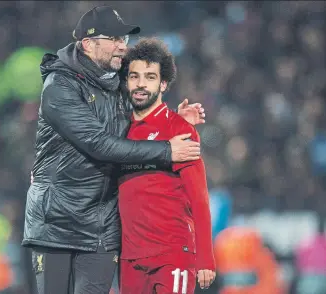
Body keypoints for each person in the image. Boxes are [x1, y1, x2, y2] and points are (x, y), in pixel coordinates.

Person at [22, 6, 206, 294]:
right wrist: (166, 150)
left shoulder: (120, 81)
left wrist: (174, 121)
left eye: (125, 39)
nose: (123, 46)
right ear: (88, 45)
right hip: (57, 224)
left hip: (103, 228)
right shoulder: (59, 86)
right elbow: (98, 144)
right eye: (115, 39)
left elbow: (142, 120)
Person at [118, 37, 216, 294]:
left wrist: (205, 257)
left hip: (173, 254)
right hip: (130, 258)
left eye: (150, 77)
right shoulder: (118, 132)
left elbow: (200, 199)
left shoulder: (179, 129)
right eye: (134, 76)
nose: (140, 84)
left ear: (163, 83)